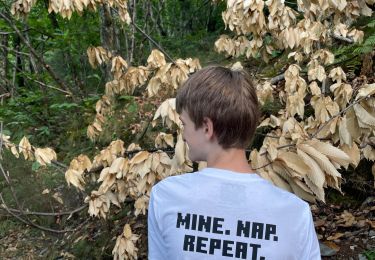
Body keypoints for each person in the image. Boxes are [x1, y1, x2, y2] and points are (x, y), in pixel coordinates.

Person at [148, 66, 321, 260]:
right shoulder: (295, 214)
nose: (184, 135)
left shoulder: (166, 197)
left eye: (184, 124)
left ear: (206, 127)